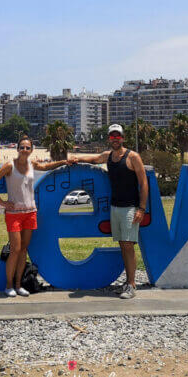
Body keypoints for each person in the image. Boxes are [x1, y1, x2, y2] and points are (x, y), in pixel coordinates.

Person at [69, 123, 148, 299]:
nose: (115, 139)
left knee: (128, 245)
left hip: (130, 208)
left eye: (118, 136)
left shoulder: (133, 157)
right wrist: (77, 159)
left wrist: (141, 209)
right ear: (109, 139)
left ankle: (132, 285)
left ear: (123, 138)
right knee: (122, 244)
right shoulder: (109, 156)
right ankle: (128, 282)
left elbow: (143, 183)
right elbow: (94, 159)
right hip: (115, 207)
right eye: (112, 136)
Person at [0, 135, 69, 297]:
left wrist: (64, 162)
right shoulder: (10, 166)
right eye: (22, 147)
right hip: (14, 214)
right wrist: (2, 202)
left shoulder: (32, 165)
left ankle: (19, 285)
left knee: (24, 250)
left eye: (28, 147)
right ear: (17, 149)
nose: (24, 150)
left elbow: (46, 167)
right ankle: (8, 285)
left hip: (30, 212)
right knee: (15, 249)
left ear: (32, 150)